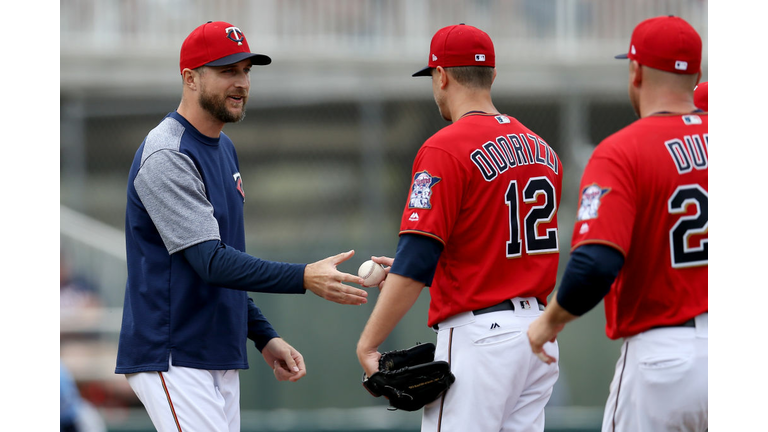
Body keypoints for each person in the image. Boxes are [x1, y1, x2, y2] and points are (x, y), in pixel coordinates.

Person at [115, 21, 369, 432]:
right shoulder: (168, 153)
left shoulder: (224, 148)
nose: (242, 82)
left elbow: (223, 260)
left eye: (247, 70)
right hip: (174, 353)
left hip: (217, 352)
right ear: (190, 78)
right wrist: (304, 276)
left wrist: (264, 336)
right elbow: (211, 262)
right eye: (228, 71)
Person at [357, 24, 563, 432]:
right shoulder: (544, 151)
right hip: (536, 336)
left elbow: (416, 260)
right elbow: (494, 250)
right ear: (493, 76)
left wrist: (369, 343)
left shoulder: (444, 147)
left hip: (480, 339)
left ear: (442, 76)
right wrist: (416, 270)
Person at [527, 15, 708, 431]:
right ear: (696, 75)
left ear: (635, 71)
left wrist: (549, 322)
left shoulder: (621, 151)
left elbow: (595, 264)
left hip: (664, 359)